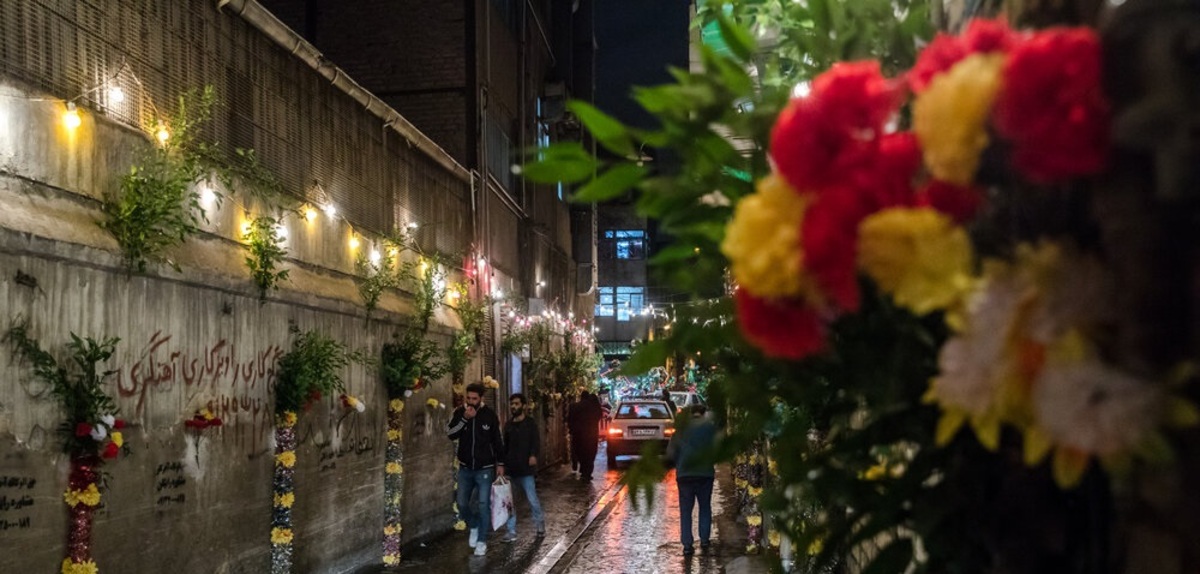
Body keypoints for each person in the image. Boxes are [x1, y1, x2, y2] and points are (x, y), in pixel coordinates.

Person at [446, 382, 505, 556]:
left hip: (485, 468)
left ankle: (481, 541)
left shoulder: (489, 416)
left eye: (474, 399)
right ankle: (473, 525)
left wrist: (500, 463)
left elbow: (497, 441)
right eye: (468, 398)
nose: (471, 402)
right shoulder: (459, 413)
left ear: (481, 398)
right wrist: (465, 418)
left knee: (483, 505)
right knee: (461, 503)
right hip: (465, 468)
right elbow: (451, 434)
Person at [667, 404, 718, 556]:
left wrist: (679, 463)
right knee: (705, 507)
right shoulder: (710, 428)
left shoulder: (681, 430)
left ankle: (687, 544)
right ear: (703, 414)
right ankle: (704, 539)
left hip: (684, 475)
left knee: (686, 510)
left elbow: (671, 452)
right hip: (705, 474)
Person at [502, 393, 545, 540]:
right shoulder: (508, 426)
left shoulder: (530, 424)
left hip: (526, 470)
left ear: (524, 406)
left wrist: (533, 455)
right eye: (512, 404)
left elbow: (536, 442)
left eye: (516, 404)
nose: (514, 406)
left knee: (532, 499)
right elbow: (504, 447)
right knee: (510, 502)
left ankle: (540, 526)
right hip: (511, 470)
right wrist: (502, 465)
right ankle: (511, 531)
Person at [575, 391, 603, 480]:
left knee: (582, 452)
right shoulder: (595, 408)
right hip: (592, 433)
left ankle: (583, 470)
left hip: (580, 433)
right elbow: (599, 417)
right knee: (591, 453)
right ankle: (588, 472)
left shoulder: (578, 406)